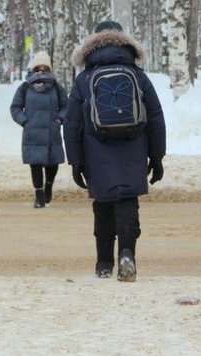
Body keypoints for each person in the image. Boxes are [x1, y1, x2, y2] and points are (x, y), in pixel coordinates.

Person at [64, 21, 166, 282]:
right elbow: (155, 117)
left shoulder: (84, 78)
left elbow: (72, 123)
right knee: (127, 202)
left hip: (95, 152)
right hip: (133, 150)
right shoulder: (138, 75)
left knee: (103, 205)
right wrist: (157, 156)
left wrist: (75, 161)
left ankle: (103, 263)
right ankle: (127, 254)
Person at [10, 51, 68, 208]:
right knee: (35, 164)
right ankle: (39, 196)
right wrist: (25, 122)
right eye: (38, 68)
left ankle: (48, 186)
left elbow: (66, 106)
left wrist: (58, 120)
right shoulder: (25, 87)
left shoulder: (56, 87)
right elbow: (15, 107)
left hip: (51, 131)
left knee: (52, 163)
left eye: (45, 67)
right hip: (33, 132)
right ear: (33, 69)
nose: (41, 71)